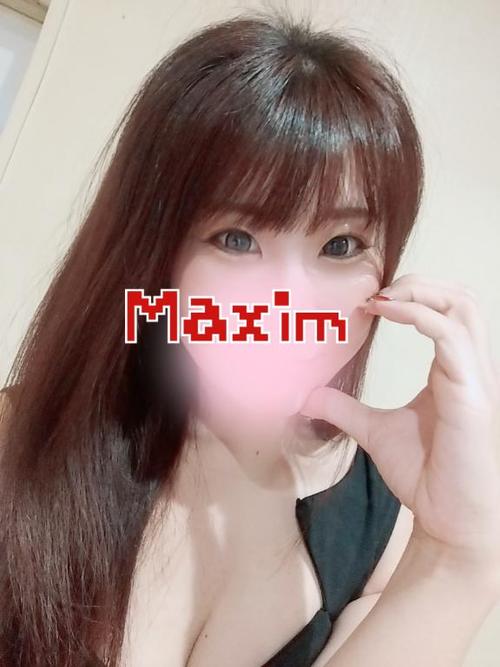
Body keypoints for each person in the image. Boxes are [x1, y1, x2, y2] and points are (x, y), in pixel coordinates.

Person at [1, 8, 499, 667]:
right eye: (237, 239)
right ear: (153, 256)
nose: (287, 303)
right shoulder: (19, 439)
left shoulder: (384, 533)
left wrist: (458, 555)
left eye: (341, 245)